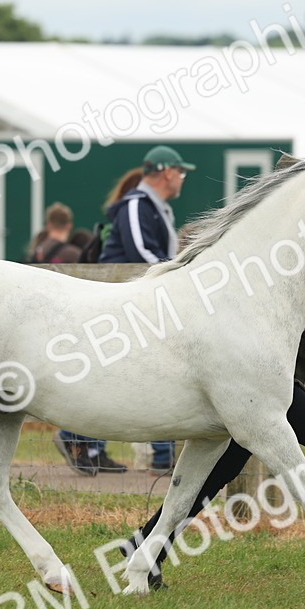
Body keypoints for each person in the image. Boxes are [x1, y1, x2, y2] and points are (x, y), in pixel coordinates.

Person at [120, 264, 305, 589]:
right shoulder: (283, 255)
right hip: (265, 387)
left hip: (275, 387)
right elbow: (287, 311)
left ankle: (145, 544)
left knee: (216, 471)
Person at [95, 147, 196, 473]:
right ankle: (80, 440)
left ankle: (163, 453)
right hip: (121, 300)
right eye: (181, 172)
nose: (182, 179)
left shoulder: (157, 208)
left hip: (140, 298)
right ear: (167, 172)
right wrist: (178, 278)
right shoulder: (138, 204)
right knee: (108, 372)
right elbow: (141, 253)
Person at [54, 167, 146, 476]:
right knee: (101, 372)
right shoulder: (131, 214)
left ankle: (96, 449)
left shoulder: (128, 214)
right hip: (114, 304)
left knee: (112, 376)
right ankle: (74, 439)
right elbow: (136, 258)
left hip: (120, 303)